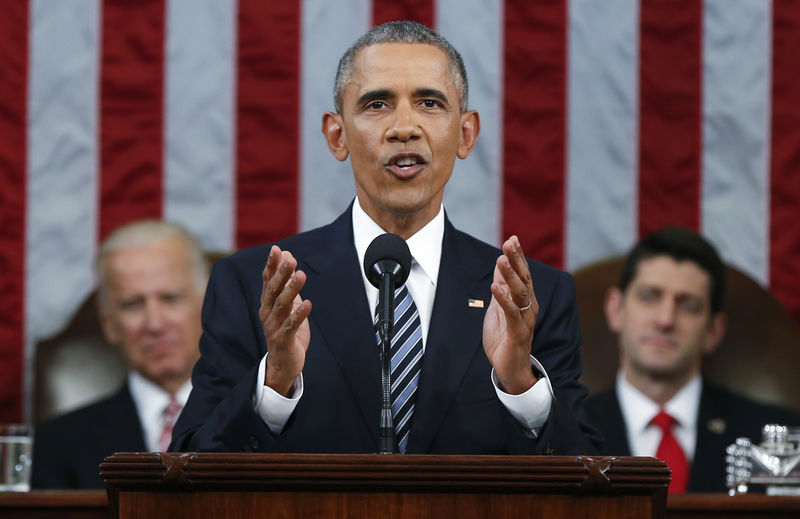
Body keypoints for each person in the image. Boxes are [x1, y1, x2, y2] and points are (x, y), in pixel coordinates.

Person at [171, 21, 598, 456]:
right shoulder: (253, 285)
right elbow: (190, 467)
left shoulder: (533, 296)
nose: (404, 128)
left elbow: (591, 482)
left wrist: (520, 385)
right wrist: (275, 382)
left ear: (466, 133)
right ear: (337, 136)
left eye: (429, 103)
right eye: (377, 104)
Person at [584, 227, 800, 493]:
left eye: (688, 306)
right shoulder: (564, 433)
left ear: (713, 331)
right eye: (650, 297)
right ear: (616, 309)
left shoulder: (774, 439)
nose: (665, 320)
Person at [31, 220, 209, 489]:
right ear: (109, 324)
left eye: (170, 299)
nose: (155, 324)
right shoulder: (55, 444)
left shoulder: (261, 423)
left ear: (206, 307)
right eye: (133, 305)